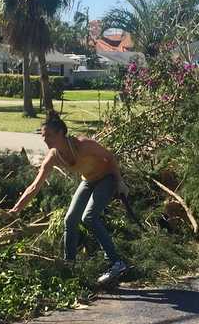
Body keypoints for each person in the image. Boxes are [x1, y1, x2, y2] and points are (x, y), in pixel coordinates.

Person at [7, 110, 129, 283]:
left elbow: (109, 157)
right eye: (43, 136)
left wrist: (120, 182)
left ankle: (116, 263)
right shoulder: (53, 156)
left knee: (89, 217)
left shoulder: (83, 144)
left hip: (107, 178)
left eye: (49, 135)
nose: (45, 139)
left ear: (61, 133)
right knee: (70, 220)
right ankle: (69, 266)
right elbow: (35, 185)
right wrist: (15, 209)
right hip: (88, 181)